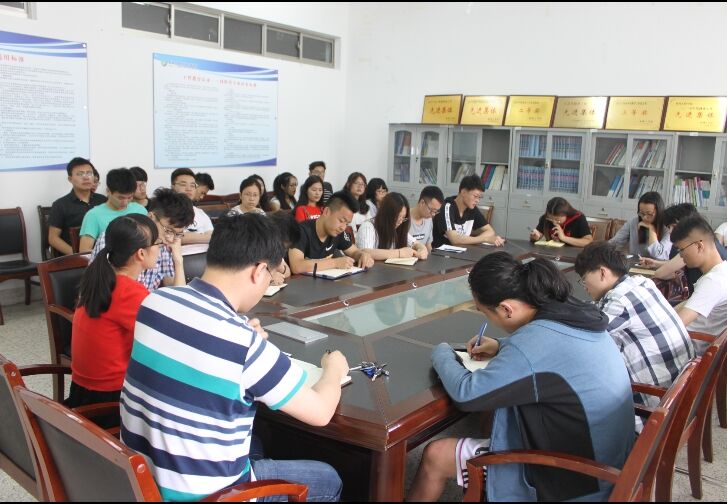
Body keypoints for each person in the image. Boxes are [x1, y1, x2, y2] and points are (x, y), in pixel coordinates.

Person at [120, 213, 346, 501]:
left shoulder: (154, 302)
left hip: (142, 481)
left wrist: (239, 332)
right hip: (210, 496)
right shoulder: (243, 344)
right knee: (328, 478)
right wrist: (333, 369)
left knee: (256, 441)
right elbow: (321, 413)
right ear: (259, 271)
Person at [409, 252, 634, 501]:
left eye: (484, 312)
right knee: (497, 414)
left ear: (506, 309)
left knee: (436, 455)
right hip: (610, 462)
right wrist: (502, 345)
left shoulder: (532, 343)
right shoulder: (572, 312)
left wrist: (442, 351)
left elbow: (467, 393)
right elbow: (553, 350)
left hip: (574, 479)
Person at [574, 241, 694, 431]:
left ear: (602, 272)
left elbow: (582, 339)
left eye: (583, 279)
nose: (585, 286)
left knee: (579, 385)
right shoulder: (640, 282)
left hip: (655, 406)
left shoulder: (619, 300)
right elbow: (598, 310)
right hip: (678, 392)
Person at [66, 214, 160, 413]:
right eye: (157, 244)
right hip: (110, 400)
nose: (160, 249)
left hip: (82, 392)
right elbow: (162, 340)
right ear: (141, 253)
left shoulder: (101, 278)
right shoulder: (129, 292)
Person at [91, 188, 195, 290]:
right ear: (151, 217)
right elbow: (109, 291)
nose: (170, 239)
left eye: (178, 234)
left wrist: (178, 261)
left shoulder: (164, 244)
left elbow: (176, 291)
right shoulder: (118, 237)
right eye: (168, 230)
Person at [641, 203, 727, 294]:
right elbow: (680, 263)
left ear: (686, 224)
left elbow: (662, 273)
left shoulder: (691, 246)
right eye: (668, 227)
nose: (670, 231)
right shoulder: (709, 241)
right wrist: (655, 263)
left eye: (673, 226)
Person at [672, 216, 727, 350]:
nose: (680, 255)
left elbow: (674, 326)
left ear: (699, 246)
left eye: (681, 249)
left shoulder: (713, 281)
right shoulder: (722, 270)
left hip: (685, 349)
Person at [289, 191, 374, 274]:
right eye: (341, 220)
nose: (343, 227)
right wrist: (335, 263)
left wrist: (362, 255)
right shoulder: (301, 230)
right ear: (327, 212)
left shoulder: (338, 232)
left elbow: (354, 252)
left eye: (347, 223)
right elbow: (296, 266)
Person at [79, 168, 147, 252]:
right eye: (121, 198)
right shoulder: (93, 215)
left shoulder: (140, 210)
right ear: (108, 191)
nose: (125, 202)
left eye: (129, 197)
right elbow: (84, 251)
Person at [48, 157, 107, 256]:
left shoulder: (103, 200)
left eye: (89, 173)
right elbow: (53, 238)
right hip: (74, 257)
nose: (86, 177)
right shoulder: (60, 205)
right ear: (70, 179)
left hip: (102, 255)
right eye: (80, 174)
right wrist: (78, 255)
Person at [432, 175, 505, 248]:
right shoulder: (447, 207)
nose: (477, 200)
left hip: (464, 251)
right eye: (475, 196)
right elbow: (454, 240)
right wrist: (484, 239)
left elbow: (490, 231)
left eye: (480, 197)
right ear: (463, 192)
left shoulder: (472, 209)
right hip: (441, 253)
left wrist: (479, 239)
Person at [356, 192, 428, 261]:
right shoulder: (368, 227)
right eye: (397, 217)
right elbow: (365, 253)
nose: (400, 222)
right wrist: (399, 253)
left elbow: (416, 244)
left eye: (403, 218)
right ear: (386, 214)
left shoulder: (397, 228)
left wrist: (422, 250)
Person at [609, 191, 671, 259]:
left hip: (659, 265)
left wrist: (651, 231)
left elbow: (658, 255)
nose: (644, 218)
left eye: (649, 214)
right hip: (635, 263)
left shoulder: (668, 227)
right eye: (642, 213)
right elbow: (614, 243)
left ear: (659, 213)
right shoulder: (633, 222)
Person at [171, 168, 214, 244]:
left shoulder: (200, 212)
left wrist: (187, 236)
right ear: (173, 187)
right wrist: (203, 235)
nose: (189, 189)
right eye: (183, 185)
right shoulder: (165, 211)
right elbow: (173, 238)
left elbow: (213, 237)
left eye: (192, 185)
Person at [409, 186, 444, 252]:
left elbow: (428, 246)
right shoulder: (403, 219)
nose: (433, 214)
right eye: (431, 210)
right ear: (422, 202)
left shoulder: (428, 219)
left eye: (436, 211)